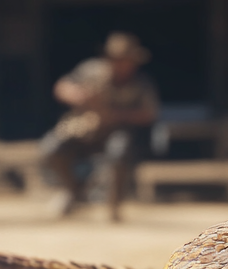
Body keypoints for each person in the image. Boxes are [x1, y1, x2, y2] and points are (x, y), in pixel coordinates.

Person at [40, 31, 159, 221]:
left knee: (119, 150)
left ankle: (113, 206)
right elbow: (61, 86)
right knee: (51, 147)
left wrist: (116, 115)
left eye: (125, 59)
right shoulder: (91, 70)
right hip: (85, 126)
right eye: (116, 59)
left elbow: (149, 114)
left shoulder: (141, 83)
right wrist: (77, 96)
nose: (121, 64)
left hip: (117, 131)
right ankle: (73, 191)